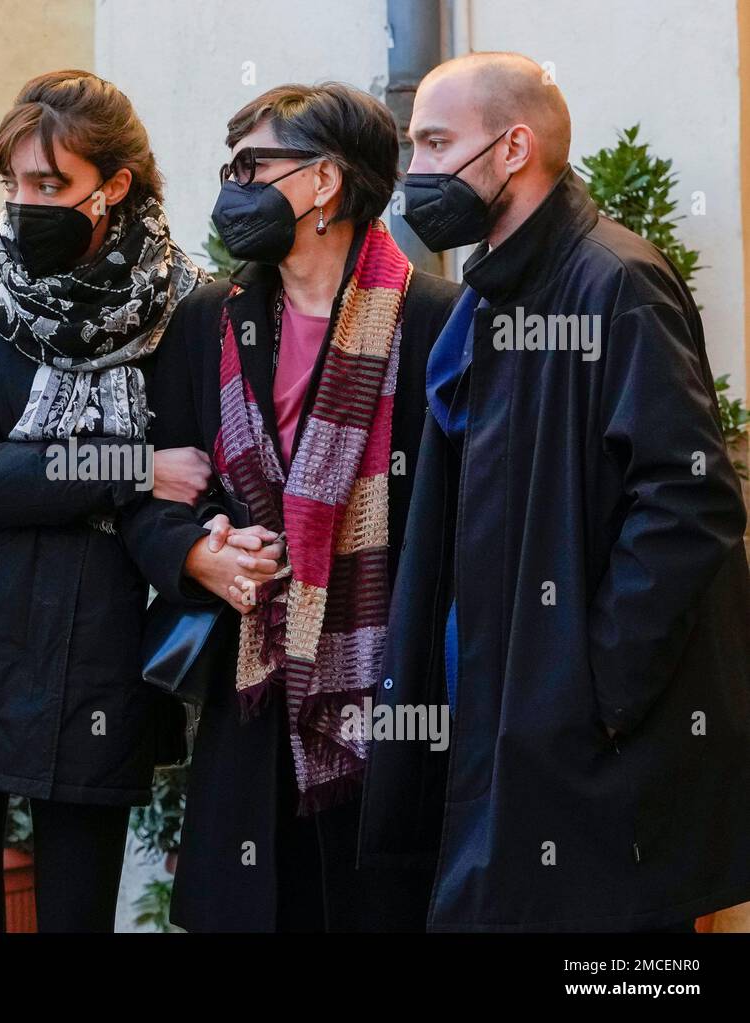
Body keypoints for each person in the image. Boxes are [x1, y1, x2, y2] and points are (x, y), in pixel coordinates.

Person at [359, 50, 750, 932]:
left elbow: (690, 502)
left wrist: (589, 685)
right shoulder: (491, 292)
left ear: (513, 147)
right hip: (498, 736)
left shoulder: (615, 281)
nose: (415, 172)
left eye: (433, 142)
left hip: (575, 746)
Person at [0, 70, 240, 933]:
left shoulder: (189, 302)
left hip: (97, 642)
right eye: (14, 183)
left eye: (49, 185)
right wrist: (131, 464)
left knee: (76, 915)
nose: (24, 203)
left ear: (115, 186)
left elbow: (201, 475)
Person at [125, 83, 461, 931]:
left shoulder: (437, 321)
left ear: (324, 182)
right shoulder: (209, 319)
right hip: (251, 693)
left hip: (384, 697)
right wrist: (197, 554)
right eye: (230, 166)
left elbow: (458, 518)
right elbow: (158, 493)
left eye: (253, 166)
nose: (232, 188)